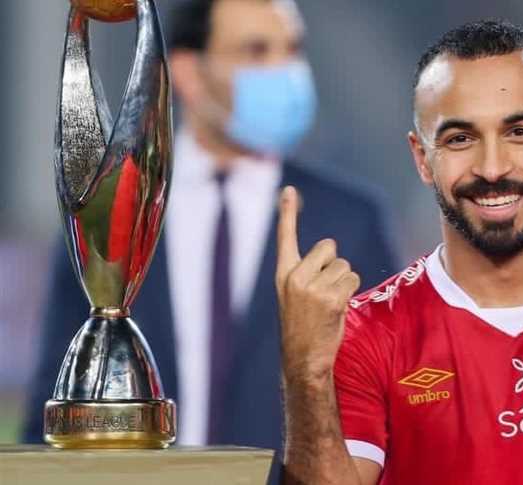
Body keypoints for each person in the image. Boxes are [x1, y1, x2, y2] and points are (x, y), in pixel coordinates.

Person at [276, 20, 523, 484]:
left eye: (519, 132)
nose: (492, 167)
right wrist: (306, 373)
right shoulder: (368, 336)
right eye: (460, 139)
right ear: (422, 158)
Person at [23, 0, 398, 455]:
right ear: (188, 73)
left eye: (293, 49)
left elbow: (385, 409)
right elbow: (53, 404)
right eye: (256, 51)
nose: (286, 71)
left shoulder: (351, 221)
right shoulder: (110, 206)